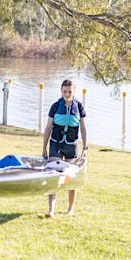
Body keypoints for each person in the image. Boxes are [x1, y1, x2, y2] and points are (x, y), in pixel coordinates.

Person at [41, 79, 88, 217]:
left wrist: (85, 148)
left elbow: (84, 129)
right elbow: (48, 127)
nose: (67, 94)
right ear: (61, 91)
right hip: (55, 144)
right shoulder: (55, 106)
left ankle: (70, 209)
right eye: (64, 91)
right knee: (53, 175)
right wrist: (44, 147)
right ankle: (51, 210)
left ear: (74, 91)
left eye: (69, 91)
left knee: (71, 176)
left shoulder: (79, 107)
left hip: (71, 146)